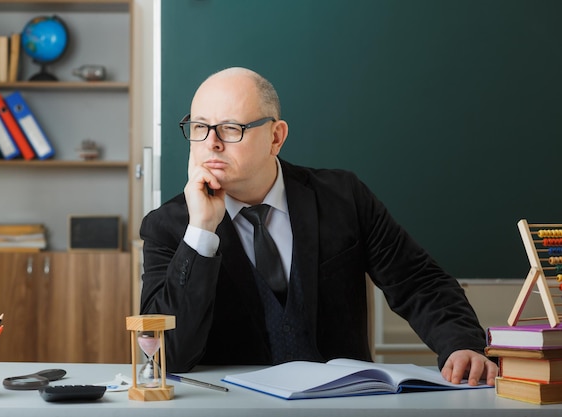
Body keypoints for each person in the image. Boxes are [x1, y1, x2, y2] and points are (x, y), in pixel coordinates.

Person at [140, 67, 498, 386]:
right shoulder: (168, 226)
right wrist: (202, 230)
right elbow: (167, 354)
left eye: (231, 128)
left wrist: (461, 344)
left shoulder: (343, 197)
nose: (212, 143)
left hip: (343, 404)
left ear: (276, 137)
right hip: (230, 408)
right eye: (200, 127)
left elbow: (418, 281)